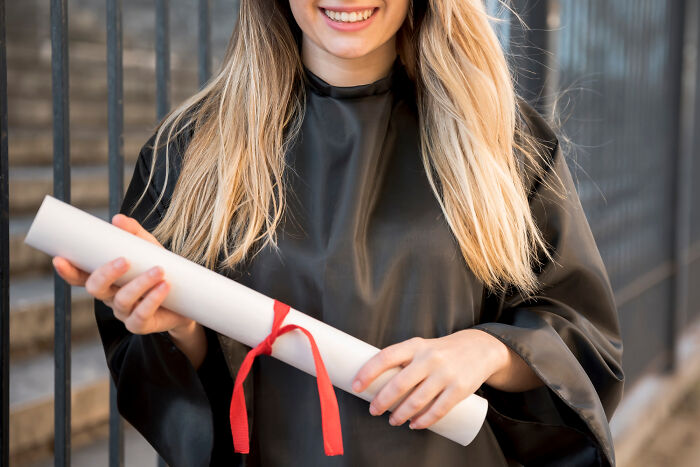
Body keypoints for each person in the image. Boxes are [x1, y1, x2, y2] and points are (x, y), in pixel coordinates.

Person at [51, 0, 625, 466]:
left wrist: (488, 350)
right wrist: (180, 326)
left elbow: (579, 336)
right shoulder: (195, 151)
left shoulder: (501, 143)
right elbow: (170, 389)